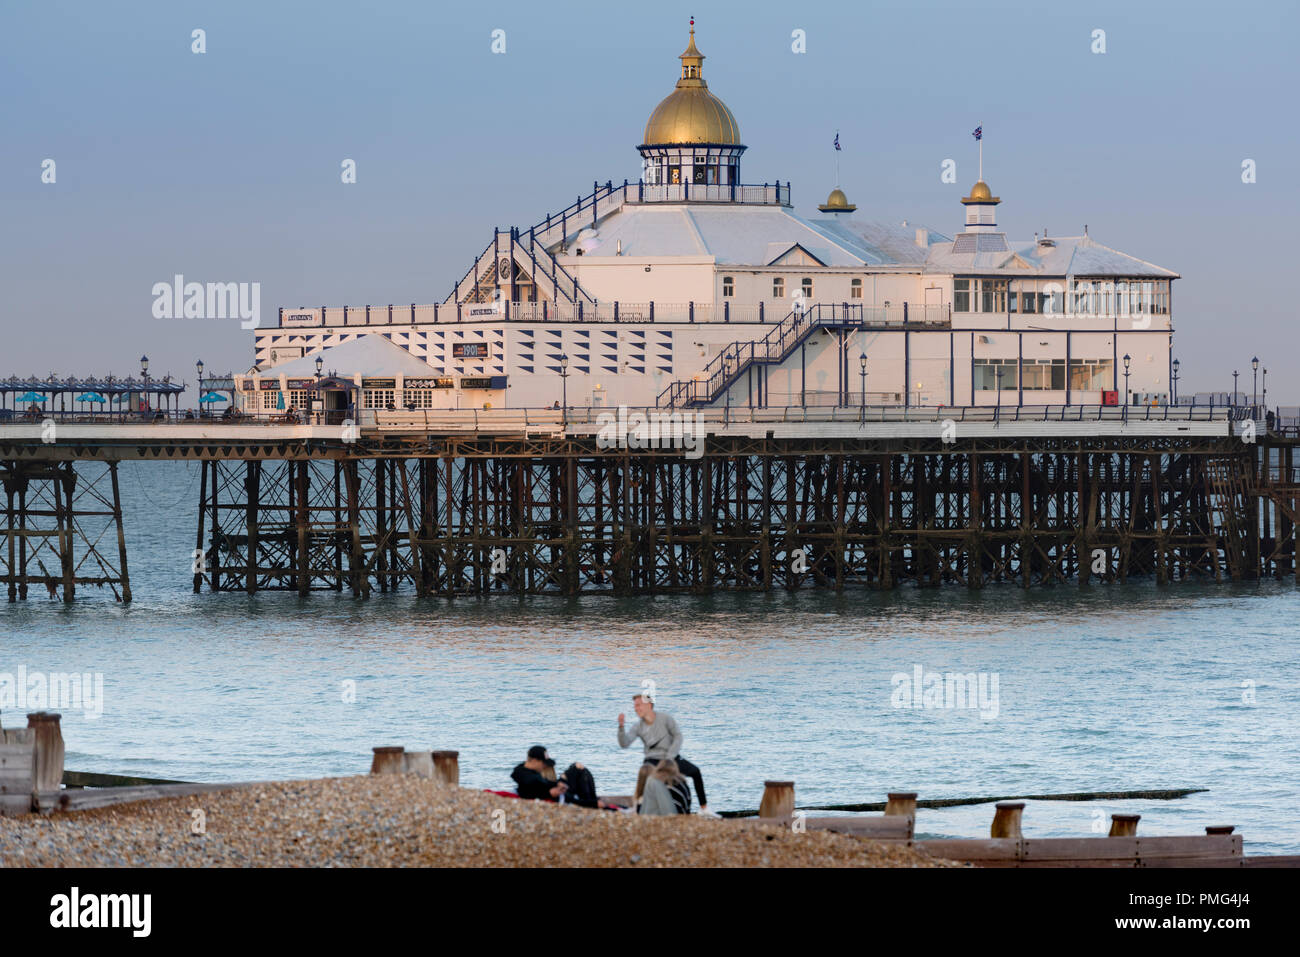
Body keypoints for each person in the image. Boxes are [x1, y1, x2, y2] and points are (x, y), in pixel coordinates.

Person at [617, 694, 714, 815]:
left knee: (695, 772)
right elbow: (624, 743)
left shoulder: (665, 718)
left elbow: (678, 736)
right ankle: (637, 807)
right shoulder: (638, 726)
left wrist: (669, 757)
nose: (635, 709)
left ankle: (704, 809)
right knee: (645, 772)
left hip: (670, 758)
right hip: (652, 759)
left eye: (638, 705)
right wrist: (621, 727)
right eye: (635, 706)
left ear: (649, 705)